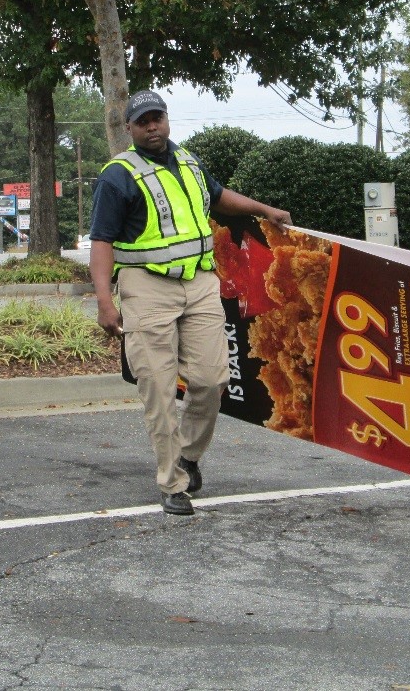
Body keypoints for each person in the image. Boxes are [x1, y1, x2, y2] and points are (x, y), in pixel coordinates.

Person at [89, 89, 292, 516]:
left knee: (212, 379)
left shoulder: (188, 161)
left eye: (157, 118)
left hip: (201, 284)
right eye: (142, 121)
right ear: (129, 129)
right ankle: (171, 483)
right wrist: (105, 302)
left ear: (166, 119)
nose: (152, 126)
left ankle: (189, 456)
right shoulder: (117, 175)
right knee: (158, 389)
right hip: (147, 288)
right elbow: (102, 241)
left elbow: (218, 197)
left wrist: (263, 208)